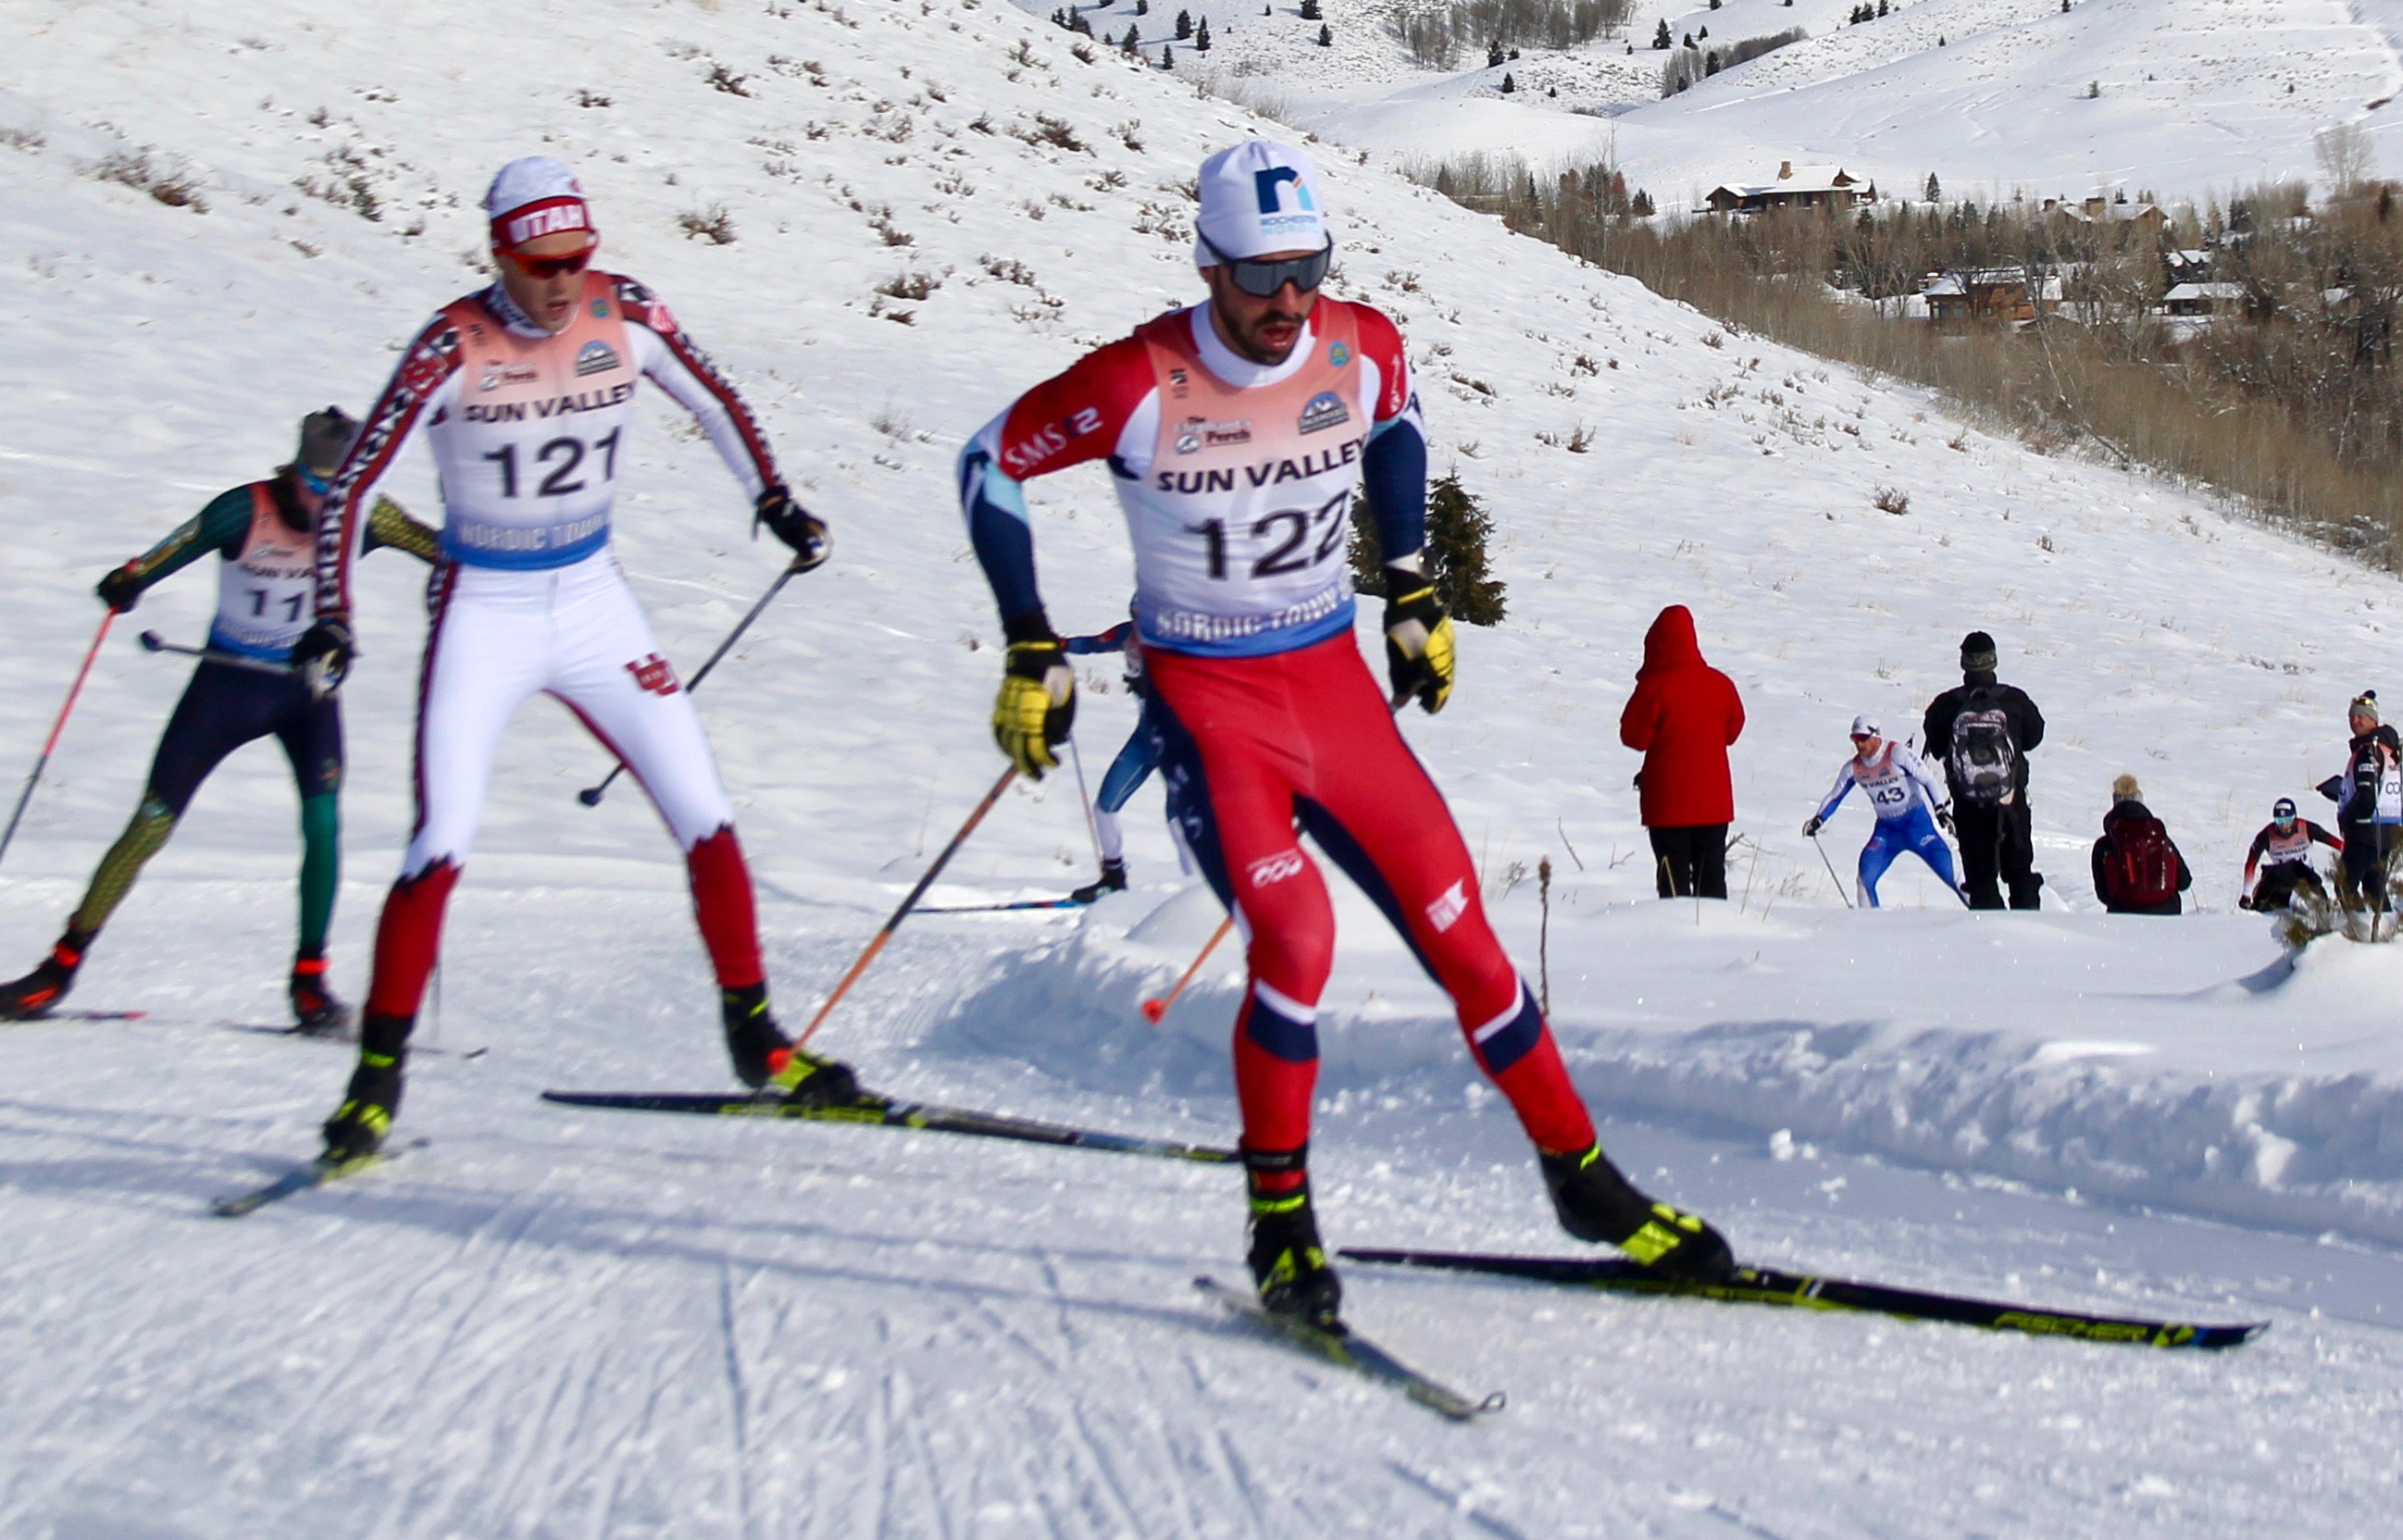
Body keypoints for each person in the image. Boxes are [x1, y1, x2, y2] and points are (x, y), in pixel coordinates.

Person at [954, 140, 1732, 1325]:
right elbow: (988, 462)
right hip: (1211, 711)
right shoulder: (1136, 381)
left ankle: (1583, 1181)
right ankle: (1280, 1224)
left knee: (1467, 940)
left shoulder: (1357, 343)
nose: (1287, 302)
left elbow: (1398, 421)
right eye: (1258, 276)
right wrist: (1027, 638)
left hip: (1332, 693)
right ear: (1206, 265)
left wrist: (1411, 580)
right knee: (1297, 938)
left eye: (1307, 271)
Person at [292, 157, 857, 1164]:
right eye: (540, 263)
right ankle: (374, 1082)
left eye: (576, 259)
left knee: (705, 811)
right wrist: (334, 617)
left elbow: (715, 400)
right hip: (486, 608)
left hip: (594, 600)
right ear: (499, 254)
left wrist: (771, 498)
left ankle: (757, 1039)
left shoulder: (622, 309)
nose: (561, 282)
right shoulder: (451, 343)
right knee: (441, 839)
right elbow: (357, 483)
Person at [0, 411, 438, 1030]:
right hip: (226, 688)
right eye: (315, 484)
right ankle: (57, 970)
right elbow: (161, 557)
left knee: (323, 825)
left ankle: (309, 984)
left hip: (304, 694)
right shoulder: (244, 511)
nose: (326, 502)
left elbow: (442, 551)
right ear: (294, 472)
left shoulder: (369, 515)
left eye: (340, 488)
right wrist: (127, 582)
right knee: (151, 822)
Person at [1618, 604, 1745, 899]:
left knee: (1672, 883)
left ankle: (1677, 928)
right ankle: (1715, 926)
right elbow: (1733, 731)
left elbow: (1634, 737)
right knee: (1711, 880)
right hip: (1714, 803)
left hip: (1667, 805)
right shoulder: (1721, 684)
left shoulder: (1654, 687)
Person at [1923, 630, 2045, 909]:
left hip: (1968, 806)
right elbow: (2034, 738)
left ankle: (1989, 933)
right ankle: (2029, 930)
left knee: (1981, 882)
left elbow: (1938, 749)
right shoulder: (2015, 700)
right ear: (1993, 661)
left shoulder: (1945, 705)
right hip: (2011, 802)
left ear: (1963, 663)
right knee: (2020, 876)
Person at [1802, 714, 1961, 908]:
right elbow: (1835, 795)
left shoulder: (1897, 753)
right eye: (1855, 739)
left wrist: (1940, 810)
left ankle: (1985, 916)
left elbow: (1927, 779)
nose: (1859, 744)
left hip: (1917, 825)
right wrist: (1818, 820)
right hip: (1887, 831)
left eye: (1863, 738)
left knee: (1951, 874)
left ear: (1876, 735)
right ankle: (1870, 923)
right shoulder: (1854, 767)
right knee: (1865, 878)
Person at [1062, 605, 1156, 901]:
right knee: (1105, 808)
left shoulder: (1173, 640)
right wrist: (1056, 644)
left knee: (1179, 821)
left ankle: (1195, 895)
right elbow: (1093, 643)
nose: (1141, 630)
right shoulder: (1127, 633)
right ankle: (1114, 878)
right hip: (1145, 742)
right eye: (1138, 619)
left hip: (1181, 742)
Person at [2315, 692, 2403, 911]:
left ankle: (2356, 929)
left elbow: (2367, 797)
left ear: (2373, 719)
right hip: (2387, 830)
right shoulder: (2388, 749)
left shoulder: (2368, 751)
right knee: (2375, 889)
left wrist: (2347, 816)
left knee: (2345, 886)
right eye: (2352, 717)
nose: (2355, 721)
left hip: (2365, 830)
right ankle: (2383, 928)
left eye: (2361, 717)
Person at [2091, 775, 2192, 914]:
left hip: (2123, 916)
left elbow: (2103, 894)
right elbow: (2184, 882)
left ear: (2115, 803)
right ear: (2140, 800)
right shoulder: (2160, 838)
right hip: (2167, 916)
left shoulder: (2104, 845)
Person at [2238, 797, 2340, 912]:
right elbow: (2251, 863)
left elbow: (2335, 842)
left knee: (2319, 902)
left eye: (2288, 820)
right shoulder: (2266, 835)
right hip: (2280, 877)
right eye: (2279, 821)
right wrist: (2246, 895)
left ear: (2294, 818)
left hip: (2306, 875)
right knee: (2262, 905)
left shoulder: (2307, 828)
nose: (2284, 825)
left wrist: (2351, 852)